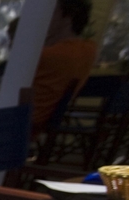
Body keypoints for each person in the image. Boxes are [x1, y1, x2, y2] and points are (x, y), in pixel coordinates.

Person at [30, 0, 96, 134]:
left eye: (50, 12)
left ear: (67, 18)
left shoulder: (47, 55)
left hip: (19, 123)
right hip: (43, 123)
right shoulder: (90, 50)